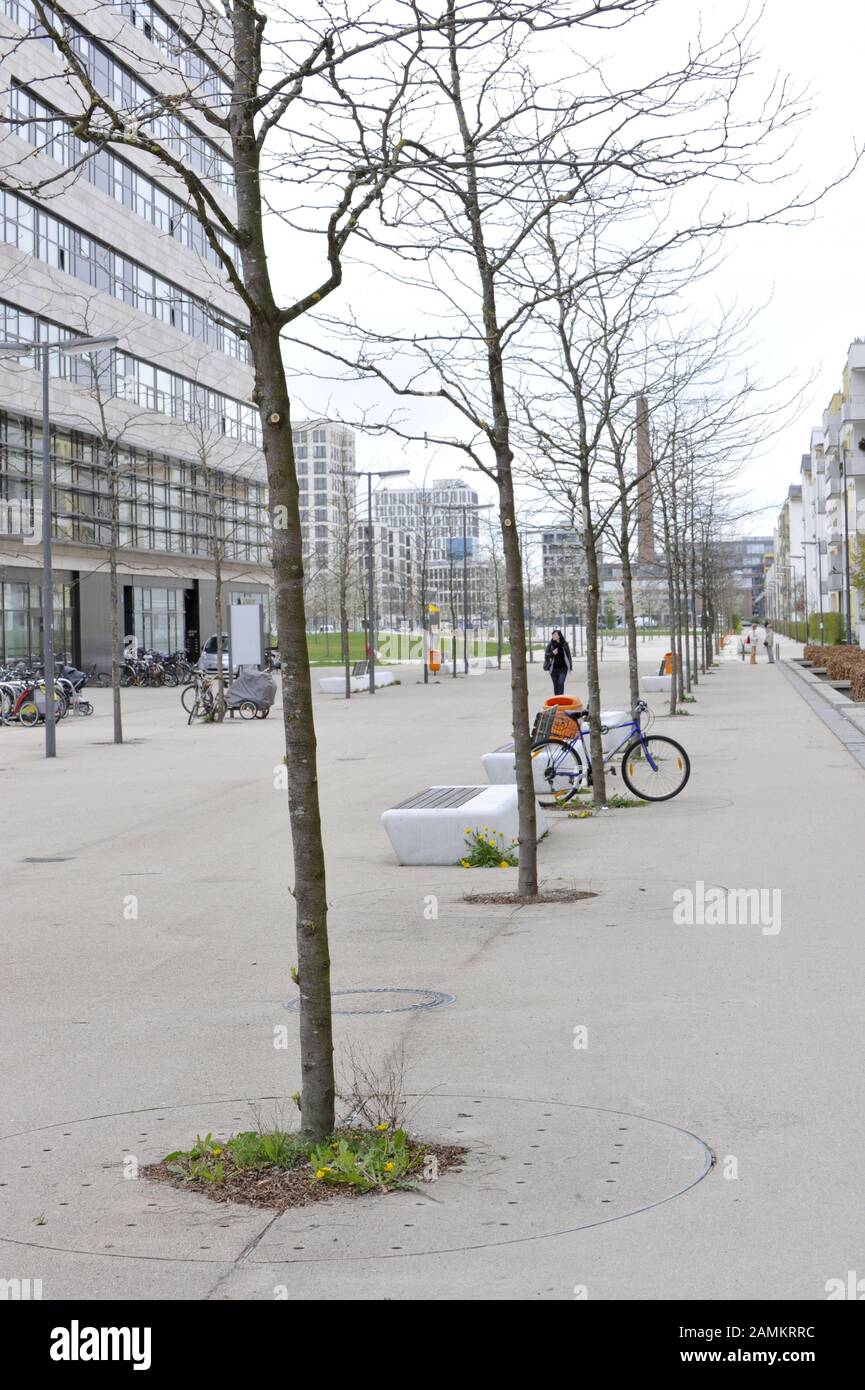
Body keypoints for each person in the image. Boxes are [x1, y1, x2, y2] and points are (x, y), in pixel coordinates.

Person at [544, 627, 572, 695]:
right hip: (553, 669)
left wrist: (570, 666)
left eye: (555, 635)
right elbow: (546, 655)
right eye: (553, 635)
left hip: (563, 668)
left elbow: (569, 656)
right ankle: (556, 701)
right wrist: (552, 653)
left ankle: (561, 699)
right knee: (556, 685)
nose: (553, 636)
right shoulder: (550, 644)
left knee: (561, 683)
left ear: (559, 636)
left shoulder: (565, 644)